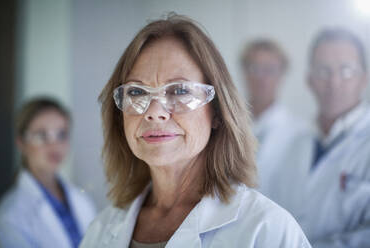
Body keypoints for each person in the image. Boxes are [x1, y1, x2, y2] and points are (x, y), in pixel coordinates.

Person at [80, 14, 311, 248]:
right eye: (137, 92)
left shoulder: (266, 229)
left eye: (179, 91)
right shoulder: (101, 230)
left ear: (218, 113)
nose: (154, 111)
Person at [272, 28, 370, 247]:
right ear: (309, 80)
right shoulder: (293, 146)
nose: (334, 82)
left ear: (364, 79)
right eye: (324, 71)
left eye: (346, 71)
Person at [0, 98, 96, 248]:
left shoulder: (80, 198)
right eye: (41, 135)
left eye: (61, 134)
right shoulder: (9, 216)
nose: (54, 145)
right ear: (21, 143)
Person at [240, 39, 305, 197]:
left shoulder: (300, 133)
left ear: (282, 74)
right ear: (244, 73)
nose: (261, 77)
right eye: (254, 68)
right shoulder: (225, 125)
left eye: (269, 69)